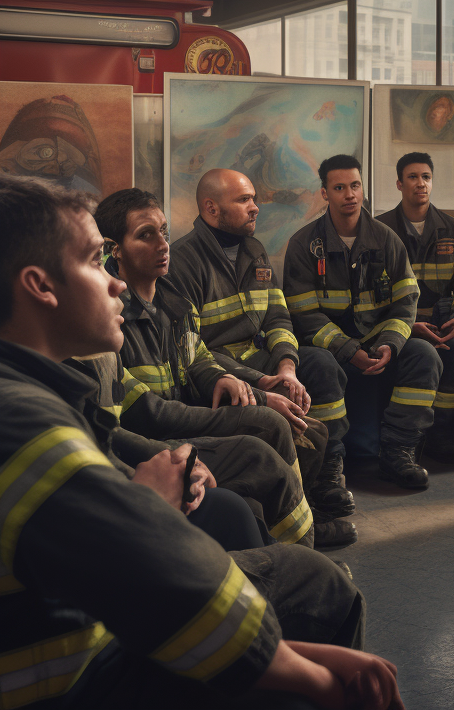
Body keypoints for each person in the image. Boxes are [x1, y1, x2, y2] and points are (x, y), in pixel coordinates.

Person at [0, 174, 404, 710]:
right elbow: (161, 572)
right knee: (318, 586)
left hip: (86, 645)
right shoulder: (24, 422)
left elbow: (200, 359)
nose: (114, 282)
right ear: (41, 287)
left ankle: (303, 533)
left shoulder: (35, 392)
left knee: (265, 503)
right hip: (82, 679)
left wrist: (259, 378)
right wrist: (314, 678)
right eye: (96, 261)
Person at [94, 187, 356, 549]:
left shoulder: (174, 300)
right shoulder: (109, 316)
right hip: (156, 438)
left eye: (164, 232)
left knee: (308, 429)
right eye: (145, 235)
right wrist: (260, 401)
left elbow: (197, 355)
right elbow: (150, 414)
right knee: (268, 427)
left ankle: (299, 521)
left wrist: (223, 377)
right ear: (114, 249)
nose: (162, 244)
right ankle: (298, 552)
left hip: (188, 411)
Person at [167, 169, 356, 531]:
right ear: (211, 208)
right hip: (219, 372)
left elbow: (277, 316)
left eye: (254, 198)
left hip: (260, 359)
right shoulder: (183, 262)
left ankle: (326, 478)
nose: (256, 208)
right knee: (276, 413)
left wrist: (286, 366)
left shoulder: (254, 250)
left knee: (320, 364)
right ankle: (295, 510)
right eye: (244, 200)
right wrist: (261, 380)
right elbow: (193, 350)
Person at [283, 155, 440, 489]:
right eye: (339, 188)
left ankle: (398, 452)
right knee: (321, 363)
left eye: (355, 185)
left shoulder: (386, 240)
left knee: (424, 354)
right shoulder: (303, 246)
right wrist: (347, 349)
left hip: (378, 341)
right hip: (330, 347)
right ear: (325, 193)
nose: (349, 194)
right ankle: (332, 463)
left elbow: (406, 301)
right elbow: (304, 315)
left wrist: (392, 343)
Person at [375, 152, 454, 462]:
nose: (420, 184)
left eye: (425, 177)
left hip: (444, 321)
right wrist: (405, 325)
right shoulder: (380, 231)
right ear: (399, 184)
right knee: (418, 358)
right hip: (399, 323)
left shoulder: (453, 229)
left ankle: (439, 431)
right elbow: (370, 289)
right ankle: (409, 434)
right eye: (412, 177)